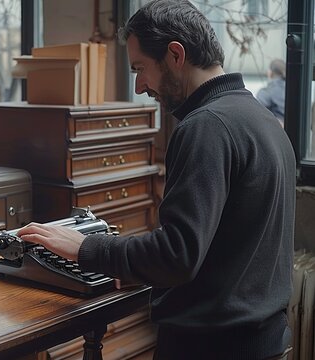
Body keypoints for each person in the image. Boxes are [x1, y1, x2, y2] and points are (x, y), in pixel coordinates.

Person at [17, 1, 296, 359]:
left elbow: (177, 254)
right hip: (261, 342)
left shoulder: (207, 127)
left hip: (212, 349)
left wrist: (86, 248)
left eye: (140, 68)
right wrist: (137, 267)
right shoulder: (261, 119)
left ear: (175, 55)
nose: (139, 85)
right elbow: (228, 246)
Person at [256, 59, 286, 126]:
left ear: (270, 73)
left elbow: (258, 116)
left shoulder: (265, 92)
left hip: (275, 133)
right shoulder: (295, 92)